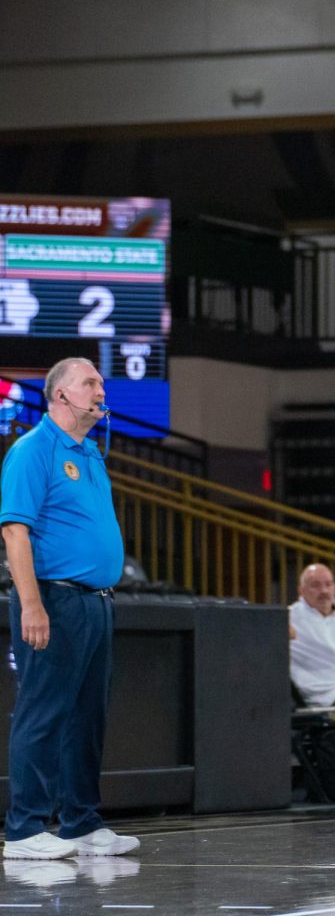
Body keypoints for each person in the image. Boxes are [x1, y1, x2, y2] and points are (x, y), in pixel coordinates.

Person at [1, 358, 139, 859]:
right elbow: (15, 531)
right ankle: (23, 830)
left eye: (100, 382)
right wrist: (31, 604)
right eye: (91, 383)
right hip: (54, 599)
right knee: (43, 712)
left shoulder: (91, 454)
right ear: (61, 395)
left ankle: (80, 822)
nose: (101, 389)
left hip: (96, 603)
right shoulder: (33, 450)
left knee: (87, 716)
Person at [288, 564, 335, 710]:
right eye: (315, 585)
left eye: (328, 584)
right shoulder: (289, 617)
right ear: (301, 590)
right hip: (327, 696)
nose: (324, 591)